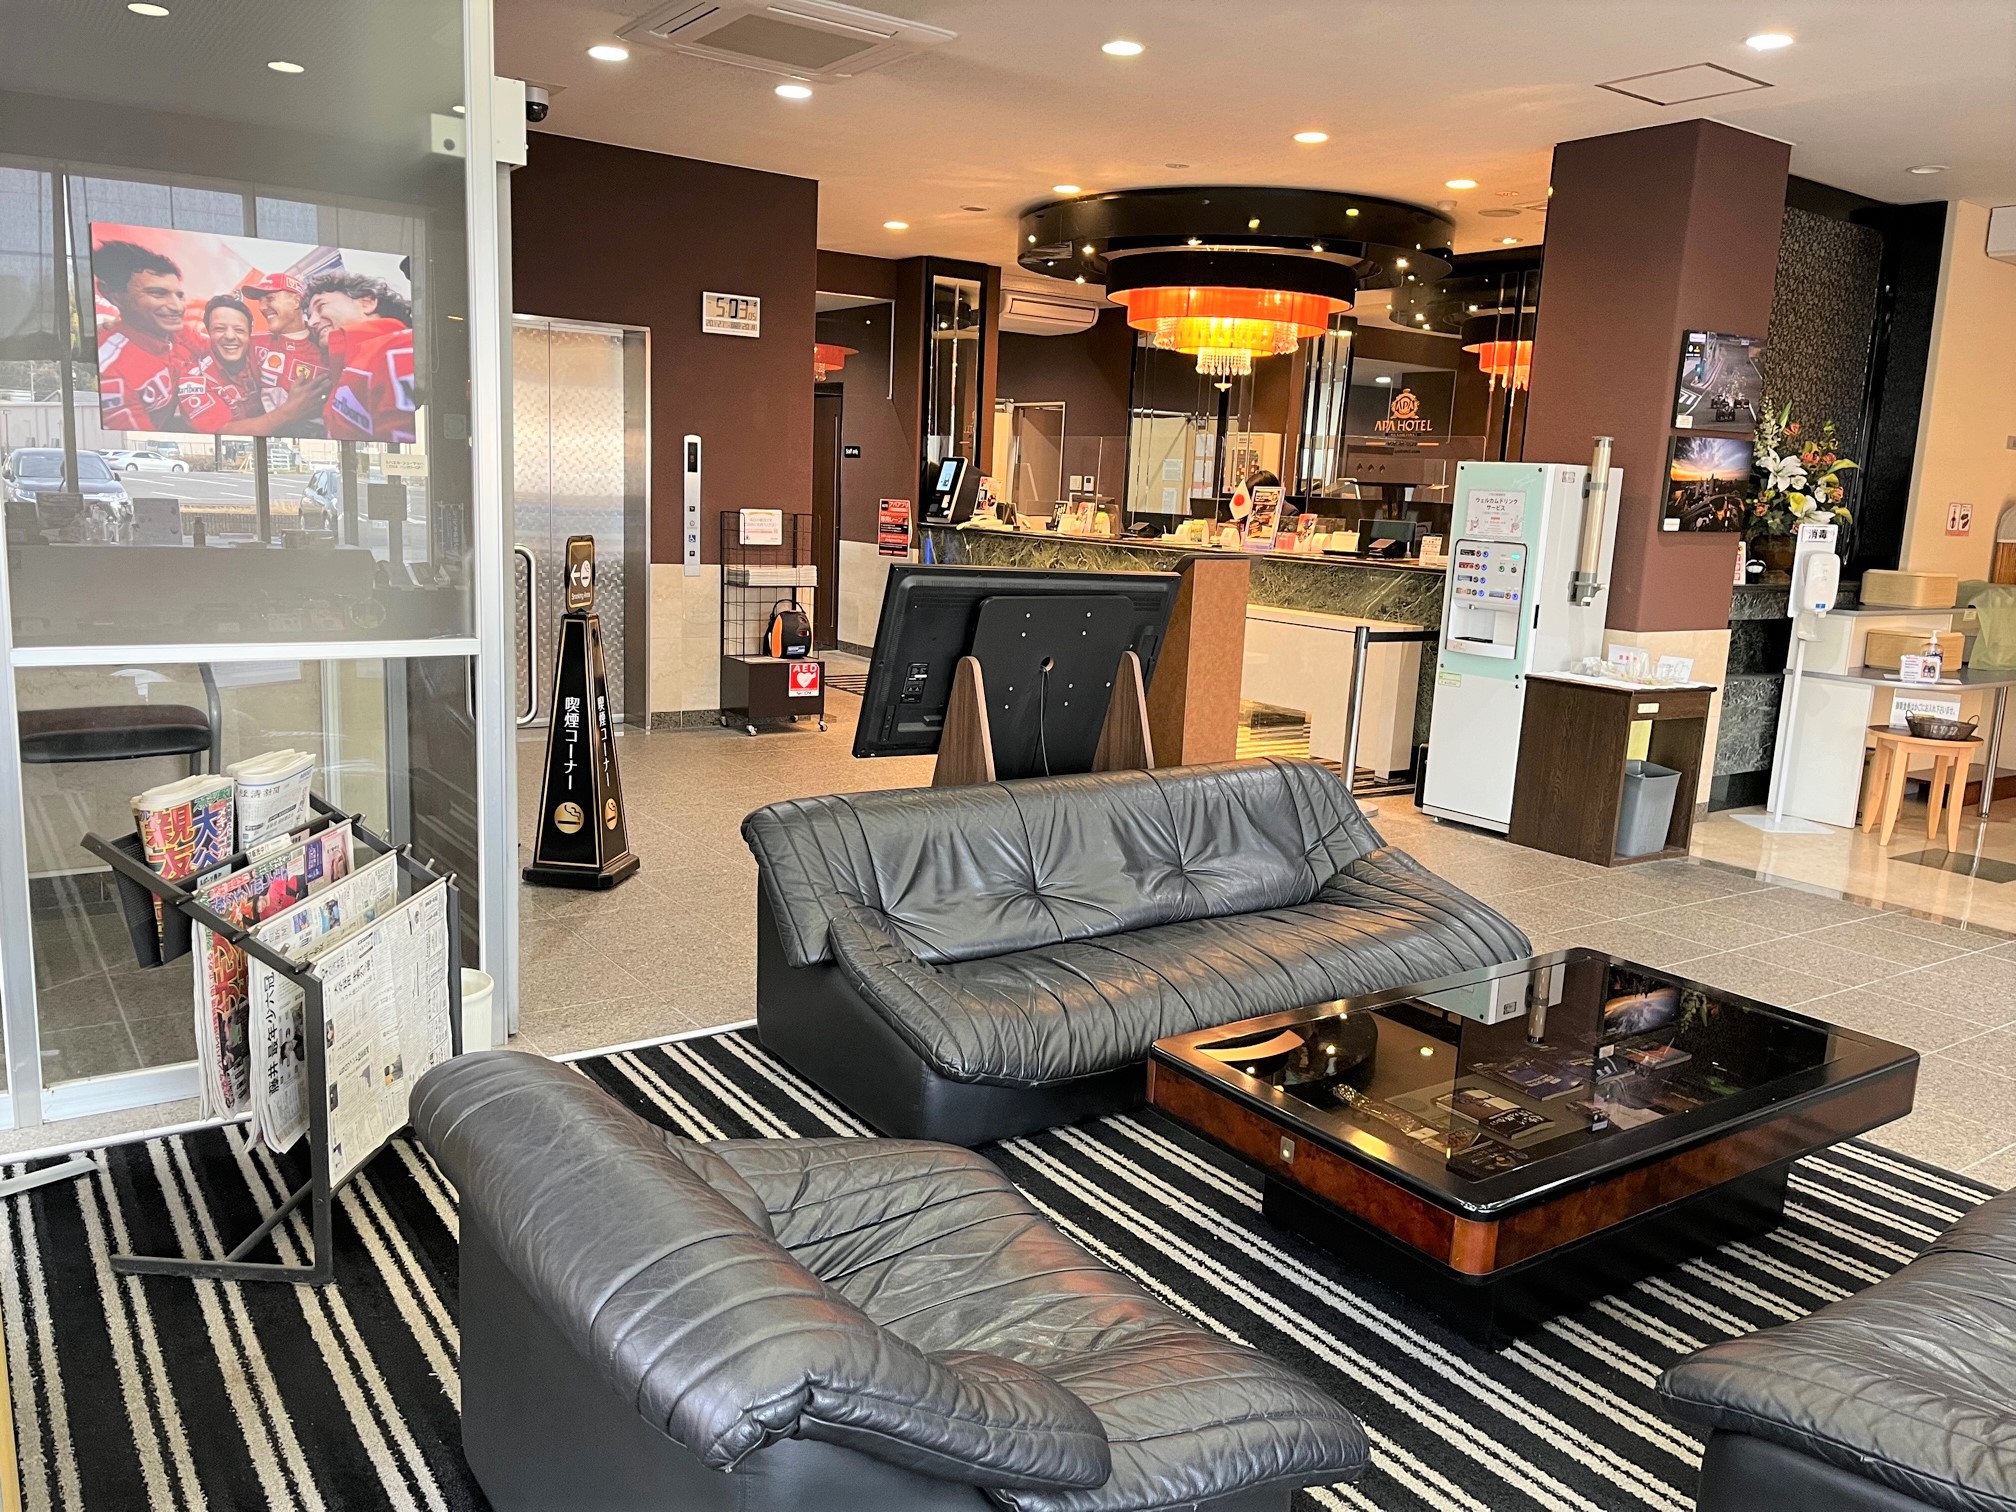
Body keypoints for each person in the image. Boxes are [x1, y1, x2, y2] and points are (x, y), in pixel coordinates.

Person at [94, 239, 204, 431]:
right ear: (113, 295)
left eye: (179, 295)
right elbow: (135, 440)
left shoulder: (177, 332)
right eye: (158, 293)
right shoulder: (109, 370)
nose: (177, 307)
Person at [303, 273, 416, 443]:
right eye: (310, 316)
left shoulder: (399, 347)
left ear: (367, 303)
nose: (312, 323)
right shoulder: (343, 370)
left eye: (321, 306)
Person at [240, 272, 330, 414]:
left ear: (296, 301)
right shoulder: (254, 344)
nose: (261, 307)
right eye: (260, 301)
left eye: (270, 298)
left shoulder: (326, 342)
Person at [175, 297, 265, 433]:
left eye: (239, 330)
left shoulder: (263, 355)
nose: (230, 336)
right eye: (219, 329)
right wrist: (289, 412)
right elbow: (223, 432)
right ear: (208, 332)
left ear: (249, 334)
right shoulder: (191, 379)